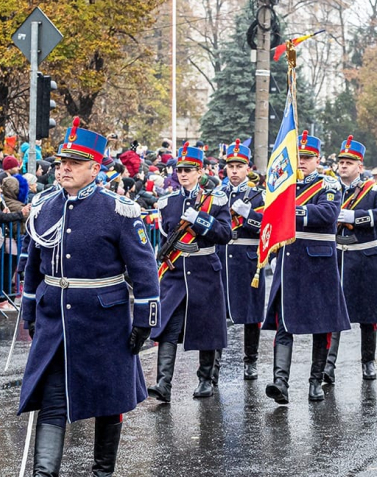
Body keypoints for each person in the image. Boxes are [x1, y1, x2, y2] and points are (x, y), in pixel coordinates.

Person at [9, 118, 159, 477]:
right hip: (57, 318)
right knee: (53, 398)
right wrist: (29, 308)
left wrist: (145, 320)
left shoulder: (118, 211)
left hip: (104, 319)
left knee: (109, 399)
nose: (65, 168)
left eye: (75, 162)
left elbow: (144, 272)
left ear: (96, 168)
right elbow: (32, 264)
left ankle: (102, 473)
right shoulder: (44, 206)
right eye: (62, 161)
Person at [261, 131, 351, 404]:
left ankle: (315, 382)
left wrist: (292, 210)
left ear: (317, 159)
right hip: (288, 260)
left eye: (307, 157)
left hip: (319, 263)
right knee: (284, 323)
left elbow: (328, 214)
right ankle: (280, 382)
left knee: (322, 325)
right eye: (297, 157)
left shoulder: (329, 183)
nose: (301, 162)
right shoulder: (283, 185)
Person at [147, 142, 232, 402]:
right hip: (175, 273)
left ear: (199, 171)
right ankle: (163, 384)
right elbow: (164, 240)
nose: (182, 174)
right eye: (179, 169)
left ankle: (206, 379)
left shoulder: (215, 201)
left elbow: (225, 234)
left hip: (204, 270)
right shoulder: (167, 203)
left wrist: (202, 220)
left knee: (207, 327)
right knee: (168, 327)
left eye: (188, 169)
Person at [325, 135, 377, 383]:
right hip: (336, 255)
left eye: (349, 162)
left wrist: (355, 217)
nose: (343, 166)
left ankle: (368, 362)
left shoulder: (374, 190)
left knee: (368, 313)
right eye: (341, 162)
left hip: (364, 255)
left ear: (360, 166)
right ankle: (328, 365)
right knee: (332, 311)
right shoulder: (329, 189)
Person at [216, 140, 266, 382]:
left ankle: (250, 360)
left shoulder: (258, 195)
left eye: (239, 166)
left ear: (248, 169)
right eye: (230, 166)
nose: (234, 171)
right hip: (222, 257)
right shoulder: (217, 195)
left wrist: (249, 215)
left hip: (248, 258)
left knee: (251, 312)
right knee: (216, 312)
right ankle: (213, 364)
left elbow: (267, 227)